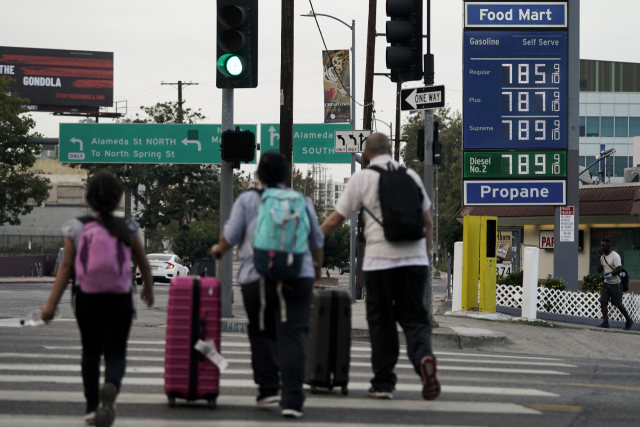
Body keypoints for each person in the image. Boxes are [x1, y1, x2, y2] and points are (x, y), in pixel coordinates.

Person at [320, 132, 440, 401]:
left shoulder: (362, 178)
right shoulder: (411, 176)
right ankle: (423, 358)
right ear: (391, 149)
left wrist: (312, 237)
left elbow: (337, 219)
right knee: (414, 318)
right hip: (415, 261)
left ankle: (384, 383)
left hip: (379, 262)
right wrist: (426, 255)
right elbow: (428, 221)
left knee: (382, 321)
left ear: (365, 154)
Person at [210, 152, 324, 419]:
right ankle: (293, 401)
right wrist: (316, 269)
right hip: (298, 275)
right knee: (293, 336)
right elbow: (317, 241)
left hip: (257, 276)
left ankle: (269, 388)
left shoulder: (248, 199)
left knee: (261, 332)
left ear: (258, 176)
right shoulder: (302, 201)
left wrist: (218, 249)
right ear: (287, 176)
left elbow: (230, 235)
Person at [41, 173, 155, 427]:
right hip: (120, 299)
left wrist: (51, 304)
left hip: (87, 300)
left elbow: (67, 267)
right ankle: (111, 385)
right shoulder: (129, 227)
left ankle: (92, 407)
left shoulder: (76, 227)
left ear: (88, 198)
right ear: (117, 200)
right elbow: (143, 264)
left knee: (90, 352)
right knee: (116, 354)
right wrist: (148, 288)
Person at [596, 238, 633, 330]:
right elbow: (599, 270)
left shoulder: (615, 256)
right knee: (603, 302)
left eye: (603, 246)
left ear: (609, 246)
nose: (602, 247)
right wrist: (598, 258)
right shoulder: (602, 257)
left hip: (616, 284)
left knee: (618, 304)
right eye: (601, 245)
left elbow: (619, 269)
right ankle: (605, 322)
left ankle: (629, 320)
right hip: (606, 284)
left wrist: (609, 275)